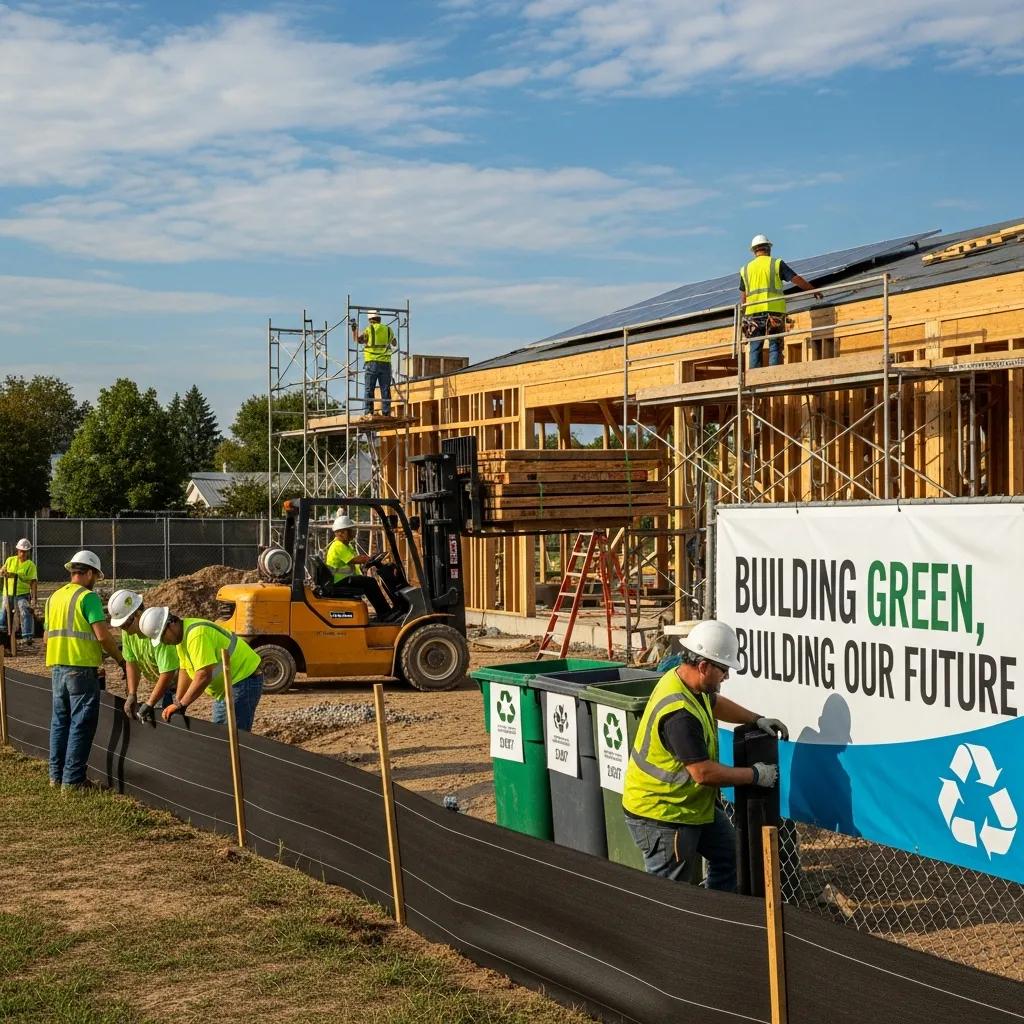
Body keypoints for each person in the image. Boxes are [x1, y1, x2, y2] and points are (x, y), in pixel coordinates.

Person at [622, 619, 788, 891]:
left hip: (689, 807)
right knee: (670, 895)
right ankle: (674, 931)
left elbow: (715, 703)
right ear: (703, 666)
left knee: (729, 857)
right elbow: (703, 773)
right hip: (663, 814)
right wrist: (755, 775)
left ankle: (712, 922)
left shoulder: (688, 682)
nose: (727, 677)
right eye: (723, 670)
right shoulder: (679, 714)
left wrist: (756, 719)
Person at [45, 550, 126, 791]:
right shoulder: (87, 598)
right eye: (96, 576)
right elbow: (102, 636)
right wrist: (120, 659)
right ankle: (73, 781)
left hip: (58, 668)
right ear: (88, 573)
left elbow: (49, 638)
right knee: (81, 723)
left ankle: (55, 777)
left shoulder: (53, 598)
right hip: (80, 670)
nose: (95, 581)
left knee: (60, 722)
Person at [138, 607, 264, 731]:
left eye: (162, 637)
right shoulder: (181, 638)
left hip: (243, 680)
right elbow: (185, 670)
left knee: (234, 737)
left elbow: (203, 675)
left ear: (170, 624)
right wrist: (178, 701)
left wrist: (181, 704)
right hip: (227, 687)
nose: (164, 642)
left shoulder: (196, 635)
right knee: (220, 734)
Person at [739, 234, 823, 369]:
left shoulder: (745, 269)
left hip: (753, 313)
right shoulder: (776, 263)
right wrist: (813, 291)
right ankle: (774, 376)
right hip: (774, 311)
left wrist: (743, 315)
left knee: (755, 347)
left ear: (754, 251)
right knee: (775, 345)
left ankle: (754, 379)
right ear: (768, 248)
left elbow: (743, 296)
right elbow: (796, 279)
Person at [106, 589, 179, 723]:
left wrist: (150, 702)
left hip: (179, 681)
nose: (124, 629)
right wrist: (132, 694)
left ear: (138, 614)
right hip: (162, 681)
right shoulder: (129, 634)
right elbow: (131, 661)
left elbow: (168, 672)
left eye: (126, 624)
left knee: (175, 723)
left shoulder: (156, 628)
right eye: (121, 626)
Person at [325, 514, 392, 619]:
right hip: (339, 580)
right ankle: (385, 613)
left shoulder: (344, 545)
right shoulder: (338, 545)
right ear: (341, 532)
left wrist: (368, 559)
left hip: (341, 579)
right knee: (370, 582)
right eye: (350, 530)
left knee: (367, 582)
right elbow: (355, 559)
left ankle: (384, 612)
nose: (353, 533)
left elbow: (355, 559)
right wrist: (370, 559)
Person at [351, 309, 397, 416]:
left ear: (370, 320)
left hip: (372, 363)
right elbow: (394, 343)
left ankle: (368, 412)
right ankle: (386, 412)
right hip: (385, 364)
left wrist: (354, 329)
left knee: (369, 389)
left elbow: (358, 340)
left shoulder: (369, 330)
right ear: (379, 319)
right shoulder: (388, 330)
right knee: (385, 389)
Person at [1, 538, 38, 648]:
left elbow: (33, 582)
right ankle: (3, 634)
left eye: (25, 551)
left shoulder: (30, 565)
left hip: (22, 594)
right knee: (4, 612)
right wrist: (3, 572)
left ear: (28, 552)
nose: (23, 553)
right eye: (21, 551)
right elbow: (2, 570)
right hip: (8, 593)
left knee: (25, 611)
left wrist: (34, 598)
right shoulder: (10, 560)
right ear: (17, 550)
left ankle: (27, 636)